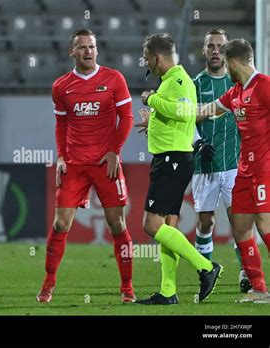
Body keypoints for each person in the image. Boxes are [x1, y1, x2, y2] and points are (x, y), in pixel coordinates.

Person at [36, 29, 136, 304]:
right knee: (60, 223)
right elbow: (61, 124)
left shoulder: (114, 79)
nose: (88, 51)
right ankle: (49, 282)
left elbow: (126, 117)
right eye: (82, 48)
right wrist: (60, 157)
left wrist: (115, 151)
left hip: (106, 164)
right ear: (72, 52)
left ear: (97, 49)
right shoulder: (61, 86)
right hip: (75, 165)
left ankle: (127, 286)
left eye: (92, 46)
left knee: (117, 224)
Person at [135, 33, 222, 305]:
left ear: (157, 57)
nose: (146, 63)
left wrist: (150, 100)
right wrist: (154, 122)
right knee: (168, 225)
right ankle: (168, 291)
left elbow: (184, 113)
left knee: (151, 224)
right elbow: (178, 114)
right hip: (170, 157)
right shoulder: (173, 82)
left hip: (172, 160)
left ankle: (206, 267)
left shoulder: (179, 80)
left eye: (147, 58)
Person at [198, 38, 270, 303]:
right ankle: (259, 289)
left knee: (265, 225)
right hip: (244, 170)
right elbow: (203, 111)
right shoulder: (236, 92)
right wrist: (163, 115)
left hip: (264, 169)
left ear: (232, 62)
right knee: (240, 229)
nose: (225, 69)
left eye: (226, 63)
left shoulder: (263, 85)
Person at [192, 28, 250, 293]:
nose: (215, 51)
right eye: (210, 46)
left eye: (220, 46)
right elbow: (186, 119)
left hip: (234, 165)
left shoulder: (237, 82)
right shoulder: (195, 84)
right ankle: (206, 272)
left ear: (227, 52)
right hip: (204, 165)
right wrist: (197, 142)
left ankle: (245, 273)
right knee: (206, 222)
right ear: (203, 50)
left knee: (238, 222)